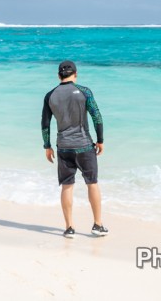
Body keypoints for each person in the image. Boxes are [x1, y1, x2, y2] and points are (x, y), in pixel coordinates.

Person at [41, 60, 108, 238]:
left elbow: (45, 124)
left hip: (63, 147)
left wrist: (47, 146)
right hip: (84, 145)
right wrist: (100, 140)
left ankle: (69, 227)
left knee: (67, 186)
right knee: (92, 183)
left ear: (58, 76)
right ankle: (97, 225)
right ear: (75, 74)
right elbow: (97, 116)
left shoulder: (50, 95)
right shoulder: (84, 92)